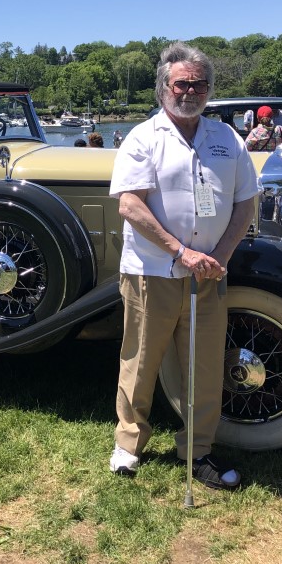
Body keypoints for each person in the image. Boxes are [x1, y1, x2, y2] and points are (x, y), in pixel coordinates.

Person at [108, 42, 259, 490]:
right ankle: (129, 445)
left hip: (209, 275)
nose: (190, 91)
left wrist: (222, 256)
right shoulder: (142, 138)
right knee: (140, 361)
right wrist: (181, 251)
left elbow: (245, 200)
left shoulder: (227, 138)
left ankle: (199, 451)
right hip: (152, 272)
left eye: (199, 84)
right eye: (182, 83)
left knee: (206, 367)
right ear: (163, 88)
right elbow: (131, 205)